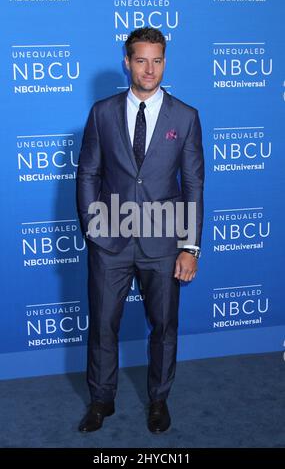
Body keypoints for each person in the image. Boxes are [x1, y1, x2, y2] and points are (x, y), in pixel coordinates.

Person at [76, 27, 204, 434]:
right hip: (110, 242)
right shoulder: (102, 112)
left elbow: (193, 186)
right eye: (142, 60)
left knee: (164, 327)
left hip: (164, 243)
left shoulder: (186, 117)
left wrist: (191, 247)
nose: (150, 69)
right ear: (127, 62)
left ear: (165, 61)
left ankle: (158, 401)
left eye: (158, 60)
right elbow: (88, 175)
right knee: (102, 325)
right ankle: (101, 400)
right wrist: (95, 232)